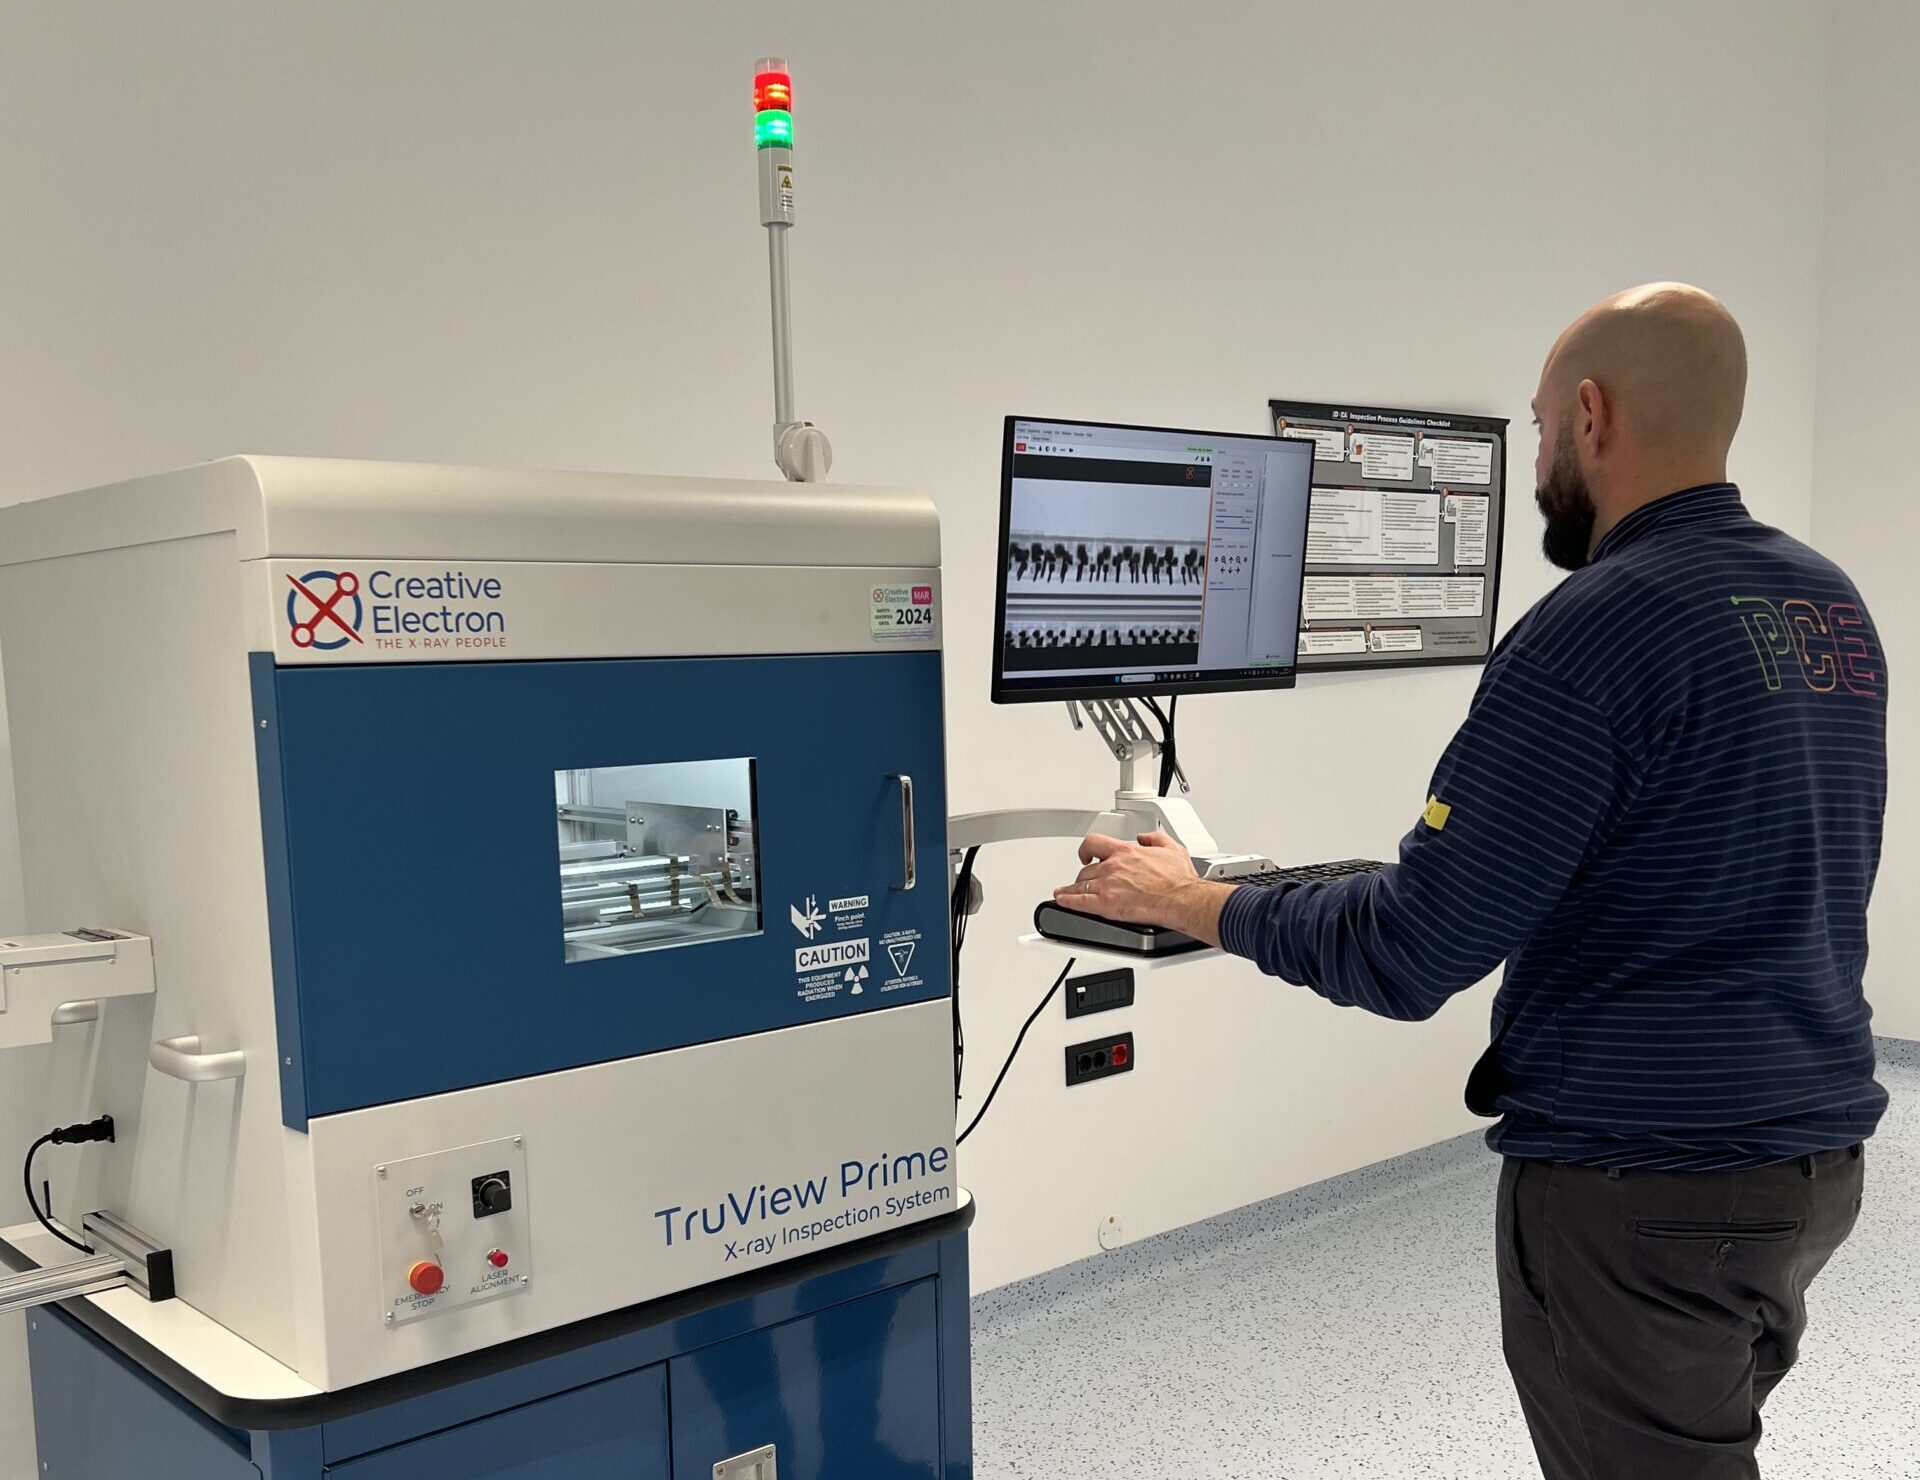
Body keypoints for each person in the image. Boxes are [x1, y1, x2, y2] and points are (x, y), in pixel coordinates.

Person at [1051, 283, 1889, 1480]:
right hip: (1807, 1168)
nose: (1541, 454)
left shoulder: (1597, 625)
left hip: (1645, 1186)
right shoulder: (1828, 605)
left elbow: (1410, 951)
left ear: (1592, 417)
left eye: (1541, 427)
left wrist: (1191, 900)